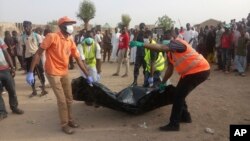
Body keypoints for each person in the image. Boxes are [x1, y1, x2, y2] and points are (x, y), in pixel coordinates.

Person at [130, 29, 210, 131]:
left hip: (199, 70)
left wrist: (141, 44)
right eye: (164, 37)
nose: (165, 38)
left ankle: (174, 124)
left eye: (167, 37)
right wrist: (162, 83)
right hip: (191, 73)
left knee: (178, 96)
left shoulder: (177, 43)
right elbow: (170, 69)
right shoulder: (170, 53)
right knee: (178, 93)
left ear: (173, 36)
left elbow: (160, 48)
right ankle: (185, 117)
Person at [26, 16, 93, 134]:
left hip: (64, 72)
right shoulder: (52, 37)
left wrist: (88, 75)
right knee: (62, 100)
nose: (71, 26)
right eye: (69, 24)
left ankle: (70, 119)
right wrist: (31, 72)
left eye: (72, 24)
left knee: (69, 98)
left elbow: (78, 59)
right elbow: (38, 54)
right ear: (61, 26)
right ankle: (64, 124)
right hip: (52, 72)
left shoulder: (70, 40)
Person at [21, 21, 48, 97]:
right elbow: (23, 48)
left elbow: (41, 48)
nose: (26, 28)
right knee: (30, 74)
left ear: (31, 27)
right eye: (24, 26)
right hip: (28, 58)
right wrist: (23, 59)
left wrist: (40, 57)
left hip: (36, 57)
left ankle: (43, 89)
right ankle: (34, 91)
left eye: (27, 26)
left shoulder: (37, 36)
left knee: (40, 73)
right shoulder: (23, 37)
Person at [0, 37, 24, 121]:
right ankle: (2, 112)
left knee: (12, 90)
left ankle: (14, 107)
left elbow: (6, 53)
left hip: (5, 69)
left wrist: (12, 67)